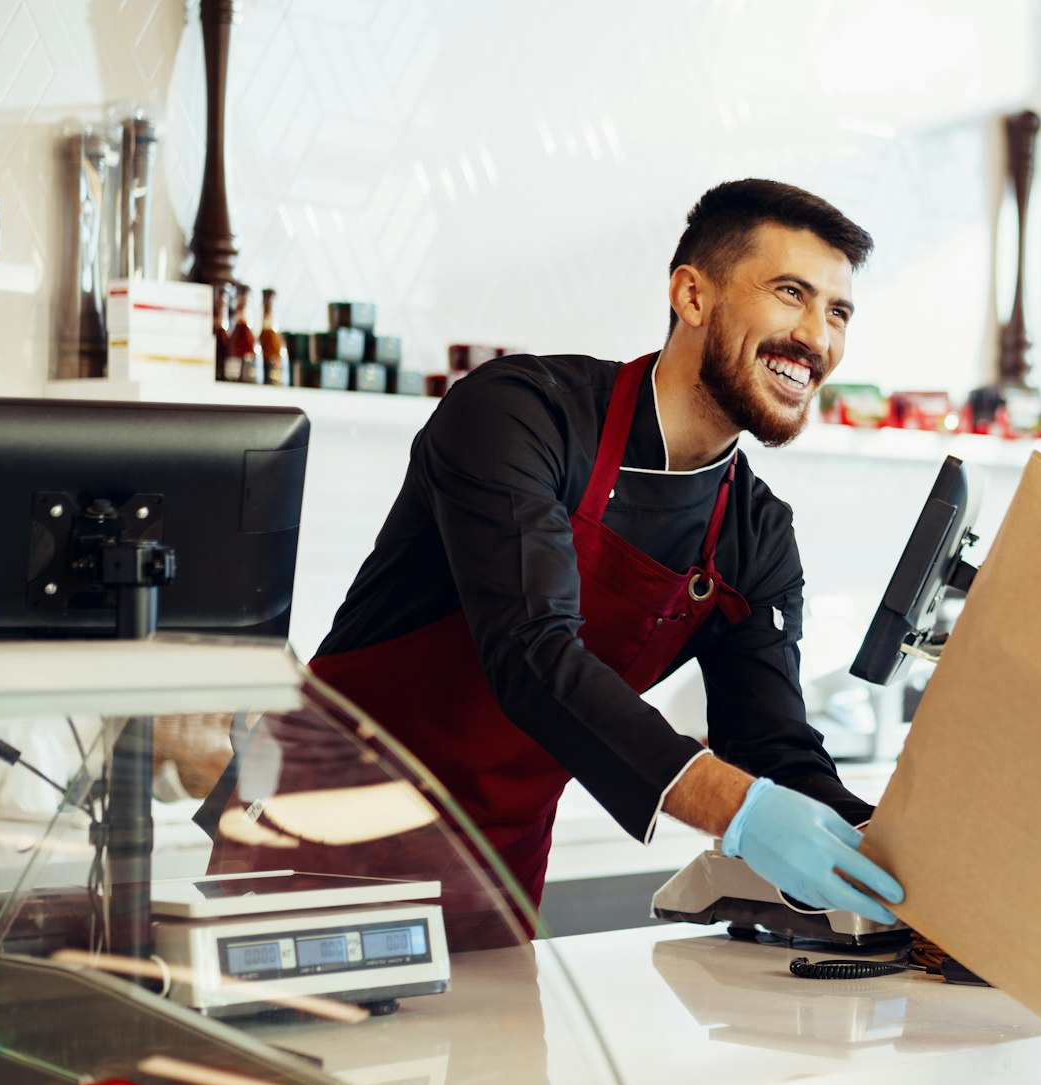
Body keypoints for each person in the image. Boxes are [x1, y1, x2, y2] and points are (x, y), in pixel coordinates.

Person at [214, 180, 903, 949]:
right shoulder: (518, 416)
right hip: (314, 845)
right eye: (790, 293)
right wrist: (736, 811)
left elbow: (773, 747)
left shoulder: (755, 535)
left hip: (492, 878)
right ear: (691, 296)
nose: (818, 337)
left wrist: (910, 851)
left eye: (838, 312)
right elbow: (531, 654)